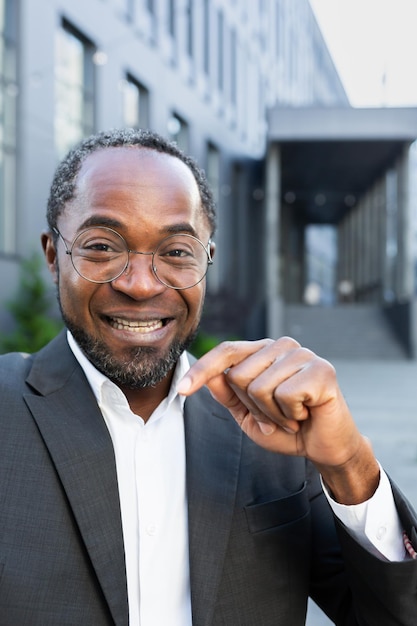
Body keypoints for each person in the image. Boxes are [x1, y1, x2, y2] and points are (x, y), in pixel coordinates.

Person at [0, 128, 416, 626]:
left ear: (206, 261)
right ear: (53, 256)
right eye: (103, 247)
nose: (140, 284)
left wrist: (350, 463)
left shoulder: (273, 426)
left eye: (176, 252)